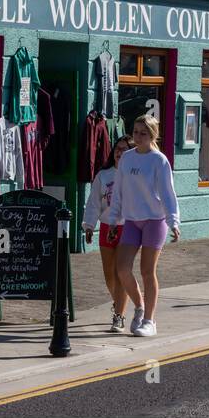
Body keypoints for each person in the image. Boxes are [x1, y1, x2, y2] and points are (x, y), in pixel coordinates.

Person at [108, 115, 179, 338]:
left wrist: (173, 221)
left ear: (152, 135)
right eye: (136, 132)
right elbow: (118, 191)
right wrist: (113, 219)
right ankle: (139, 306)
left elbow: (168, 193)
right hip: (131, 220)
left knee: (147, 271)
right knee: (122, 269)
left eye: (143, 133)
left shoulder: (159, 160)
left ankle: (150, 321)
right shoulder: (127, 159)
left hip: (154, 220)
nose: (138, 137)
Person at [84, 135, 134, 332]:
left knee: (121, 272)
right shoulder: (103, 175)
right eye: (117, 149)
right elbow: (94, 202)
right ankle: (119, 302)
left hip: (127, 227)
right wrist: (89, 225)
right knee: (109, 275)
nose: (119, 152)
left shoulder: (134, 174)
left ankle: (119, 315)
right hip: (106, 226)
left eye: (124, 149)